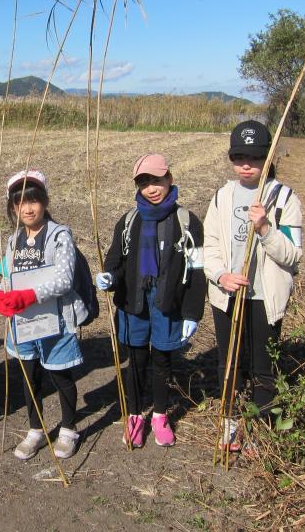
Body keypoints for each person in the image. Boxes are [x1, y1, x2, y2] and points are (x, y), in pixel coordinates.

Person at [203, 120, 303, 453]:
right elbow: (211, 246)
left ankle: (261, 427)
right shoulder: (221, 197)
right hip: (229, 296)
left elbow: (292, 256)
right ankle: (230, 422)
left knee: (264, 364)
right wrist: (221, 276)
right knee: (230, 362)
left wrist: (264, 228)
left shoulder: (284, 198)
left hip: (265, 297)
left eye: (256, 157)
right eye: (240, 157)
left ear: (268, 157)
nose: (247, 164)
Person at [98, 154, 206, 448]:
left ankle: (159, 416)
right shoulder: (128, 220)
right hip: (133, 303)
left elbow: (197, 271)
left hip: (167, 304)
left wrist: (192, 312)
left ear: (169, 179)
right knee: (136, 362)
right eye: (144, 183)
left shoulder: (186, 221)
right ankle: (134, 415)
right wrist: (109, 277)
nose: (151, 188)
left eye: (156, 180)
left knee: (162, 362)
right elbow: (115, 259)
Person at [0, 170, 85, 460]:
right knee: (29, 376)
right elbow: (5, 276)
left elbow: (64, 279)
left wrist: (29, 295)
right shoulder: (13, 240)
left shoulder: (60, 235)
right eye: (20, 203)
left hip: (55, 319)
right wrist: (0, 295)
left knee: (60, 375)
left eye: (33, 201)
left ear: (45, 202)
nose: (28, 208)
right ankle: (35, 429)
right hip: (24, 322)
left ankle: (69, 428)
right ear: (12, 208)